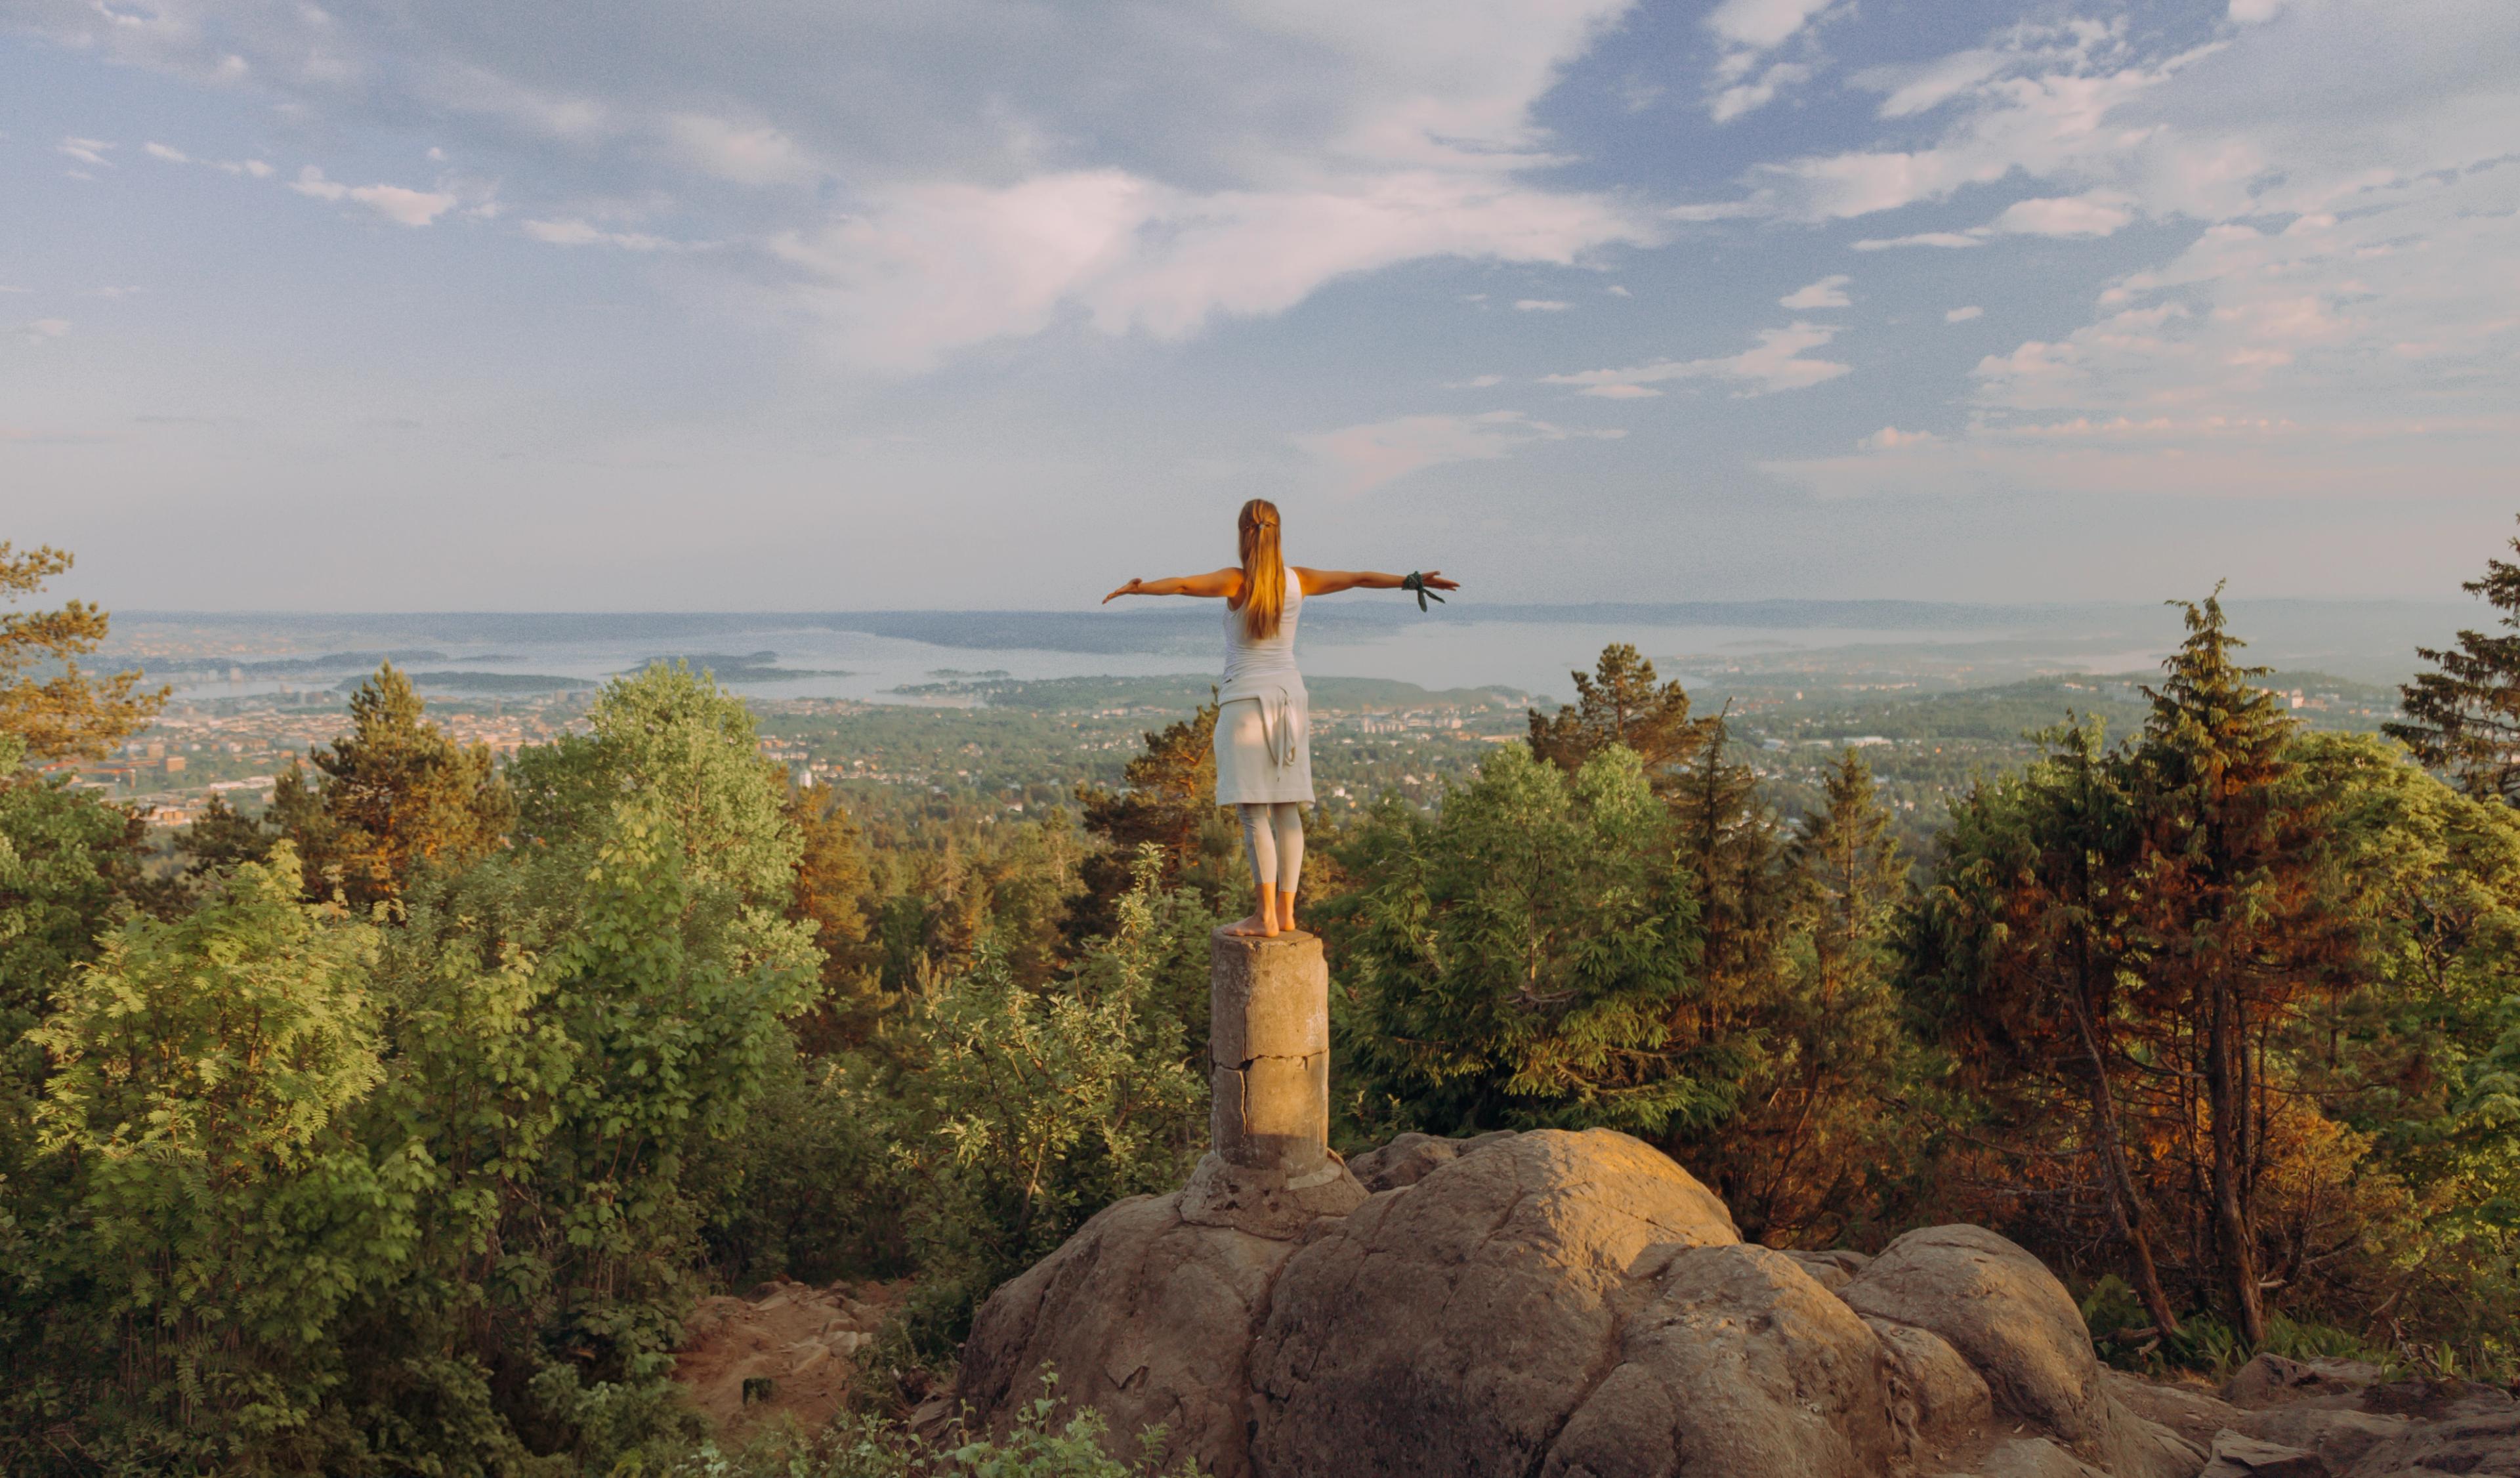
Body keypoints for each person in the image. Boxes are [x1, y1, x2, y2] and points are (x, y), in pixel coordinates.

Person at [1102, 499, 1458, 937]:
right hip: (1290, 700)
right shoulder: (1299, 581)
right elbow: (1360, 578)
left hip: (1246, 702)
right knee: (1288, 809)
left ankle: (1264, 915)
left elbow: (1181, 586)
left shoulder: (1236, 581)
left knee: (1255, 814)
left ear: (1242, 534)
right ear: (1278, 533)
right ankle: (1287, 913)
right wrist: (1412, 580)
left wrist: (1139, 589)